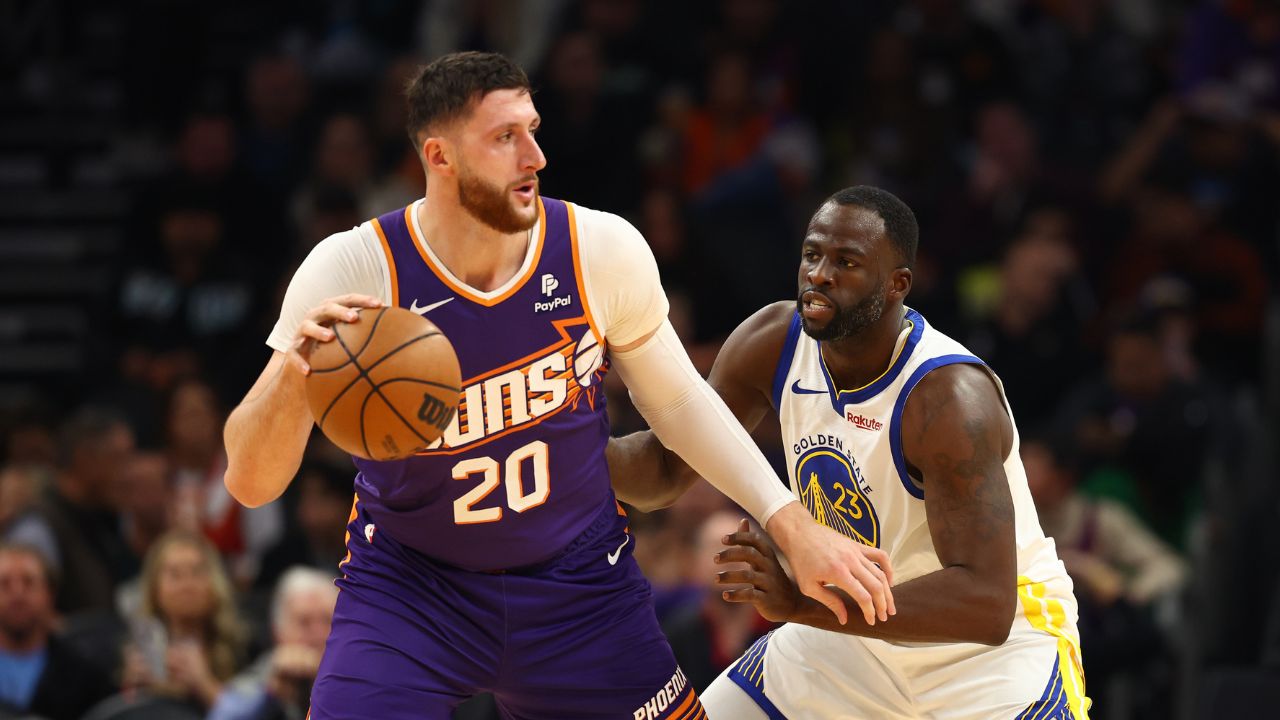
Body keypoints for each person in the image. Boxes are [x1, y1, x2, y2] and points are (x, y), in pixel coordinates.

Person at [222, 51, 892, 719]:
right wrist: (290, 367)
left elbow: (682, 404)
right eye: (505, 137)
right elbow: (250, 484)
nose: (535, 156)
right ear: (440, 156)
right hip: (413, 591)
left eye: (533, 129)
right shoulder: (356, 269)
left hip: (579, 586)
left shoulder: (597, 248)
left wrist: (796, 528)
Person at [610, 186, 1090, 719]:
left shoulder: (949, 400)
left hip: (986, 666)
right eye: (813, 254)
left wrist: (799, 603)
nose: (819, 274)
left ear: (896, 286)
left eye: (847, 262)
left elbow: (986, 604)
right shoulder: (772, 342)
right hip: (849, 642)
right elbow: (661, 472)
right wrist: (549, 442)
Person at [0, 543, 116, 719]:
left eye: (29, 582)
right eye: (4, 584)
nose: (18, 593)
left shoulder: (86, 678)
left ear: (50, 594)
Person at [210, 566, 339, 720]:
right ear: (278, 631)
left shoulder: (360, 671)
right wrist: (271, 695)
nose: (319, 634)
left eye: (328, 620)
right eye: (305, 622)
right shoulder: (266, 676)